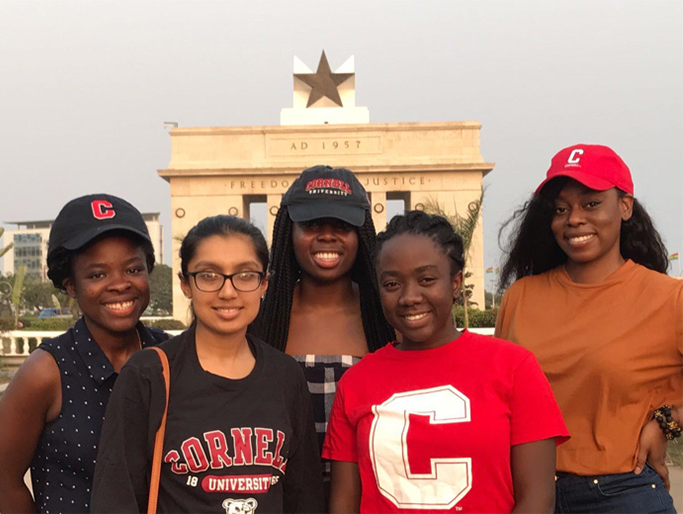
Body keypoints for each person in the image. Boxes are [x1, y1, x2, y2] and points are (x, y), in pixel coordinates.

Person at [323, 210, 569, 513]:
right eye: (391, 284)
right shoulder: (356, 382)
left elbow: (537, 501)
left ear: (455, 283)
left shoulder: (515, 368)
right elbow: (344, 504)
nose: (409, 296)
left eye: (426, 279)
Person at [91, 215, 324, 513]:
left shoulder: (286, 376)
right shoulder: (149, 374)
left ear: (264, 283)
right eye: (209, 275)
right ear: (186, 284)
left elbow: (304, 497)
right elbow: (115, 497)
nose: (228, 292)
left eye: (245, 275)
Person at [495, 144, 682, 513]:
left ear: (624, 207)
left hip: (623, 493)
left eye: (591, 204)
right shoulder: (521, 296)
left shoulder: (668, 298)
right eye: (561, 209)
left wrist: (667, 423)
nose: (574, 219)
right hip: (527, 495)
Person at [0, 194, 167, 514]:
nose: (119, 284)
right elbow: (3, 479)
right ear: (70, 284)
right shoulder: (46, 371)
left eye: (133, 268)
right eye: (97, 274)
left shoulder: (171, 357)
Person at [253, 165, 394, 486]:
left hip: (370, 498)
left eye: (343, 225)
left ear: (362, 235)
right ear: (289, 231)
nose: (327, 235)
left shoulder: (389, 320)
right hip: (283, 499)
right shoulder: (260, 322)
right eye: (312, 224)